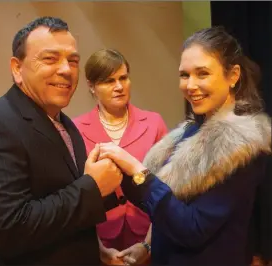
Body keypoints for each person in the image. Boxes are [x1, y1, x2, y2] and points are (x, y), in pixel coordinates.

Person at [95, 27, 271, 265]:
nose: (191, 85)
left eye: (202, 73)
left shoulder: (242, 142)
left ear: (233, 76)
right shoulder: (189, 132)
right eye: (185, 75)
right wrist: (148, 246)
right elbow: (161, 203)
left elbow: (192, 228)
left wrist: (138, 172)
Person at [0, 17, 123, 265]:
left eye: (73, 61)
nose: (65, 70)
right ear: (17, 69)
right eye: (50, 59)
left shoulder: (65, 124)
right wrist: (93, 187)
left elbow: (62, 209)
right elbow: (8, 229)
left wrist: (95, 249)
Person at [73, 49, 168, 265]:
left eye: (123, 78)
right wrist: (99, 250)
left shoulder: (154, 123)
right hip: (98, 243)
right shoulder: (76, 130)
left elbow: (167, 188)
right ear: (91, 86)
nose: (119, 86)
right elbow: (76, 196)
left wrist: (148, 245)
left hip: (149, 237)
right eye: (109, 81)